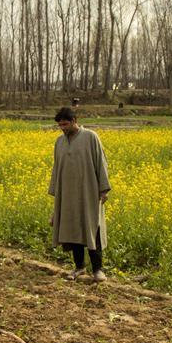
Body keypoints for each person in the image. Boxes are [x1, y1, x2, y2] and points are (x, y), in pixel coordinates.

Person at [48, 107, 110, 283]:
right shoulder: (59, 142)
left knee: (93, 228)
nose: (62, 127)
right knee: (73, 229)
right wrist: (56, 194)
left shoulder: (91, 137)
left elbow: (101, 162)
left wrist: (103, 190)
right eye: (59, 125)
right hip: (67, 194)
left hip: (89, 192)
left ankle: (98, 269)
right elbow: (56, 169)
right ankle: (79, 267)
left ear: (74, 120)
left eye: (65, 124)